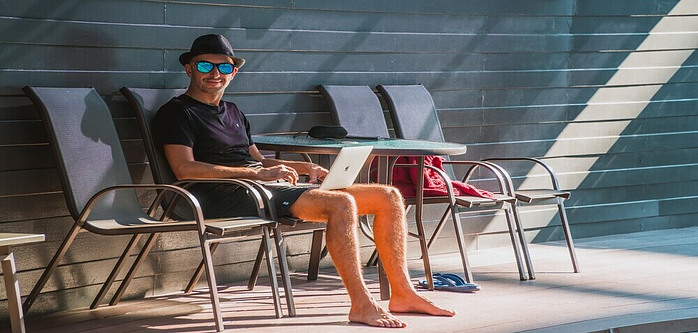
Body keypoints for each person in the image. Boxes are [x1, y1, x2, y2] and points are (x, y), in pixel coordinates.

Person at [152, 34, 455, 328]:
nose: (215, 73)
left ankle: (403, 294)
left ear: (235, 71)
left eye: (224, 67)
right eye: (206, 66)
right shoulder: (178, 113)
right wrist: (257, 174)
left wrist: (297, 166)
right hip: (221, 195)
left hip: (261, 187)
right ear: (189, 68)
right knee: (341, 203)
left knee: (388, 196)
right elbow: (185, 169)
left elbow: (257, 159)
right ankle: (361, 303)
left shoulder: (232, 112)